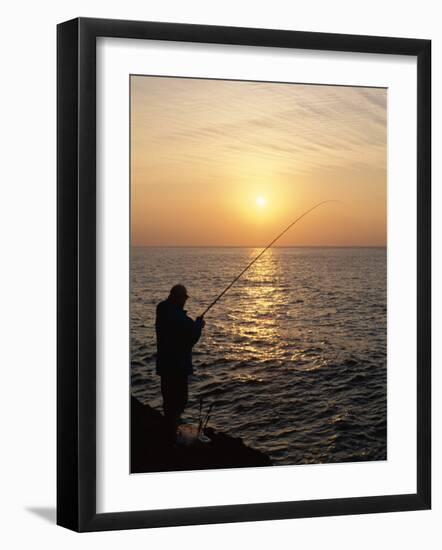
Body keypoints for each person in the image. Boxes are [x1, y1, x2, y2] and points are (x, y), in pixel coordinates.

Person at [155, 284, 205, 440]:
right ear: (177, 298)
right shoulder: (179, 318)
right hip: (177, 366)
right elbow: (190, 339)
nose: (185, 301)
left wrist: (194, 324)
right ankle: (172, 436)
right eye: (183, 298)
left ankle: (169, 430)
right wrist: (198, 326)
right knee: (179, 400)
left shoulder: (162, 310)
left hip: (165, 365)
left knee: (169, 400)